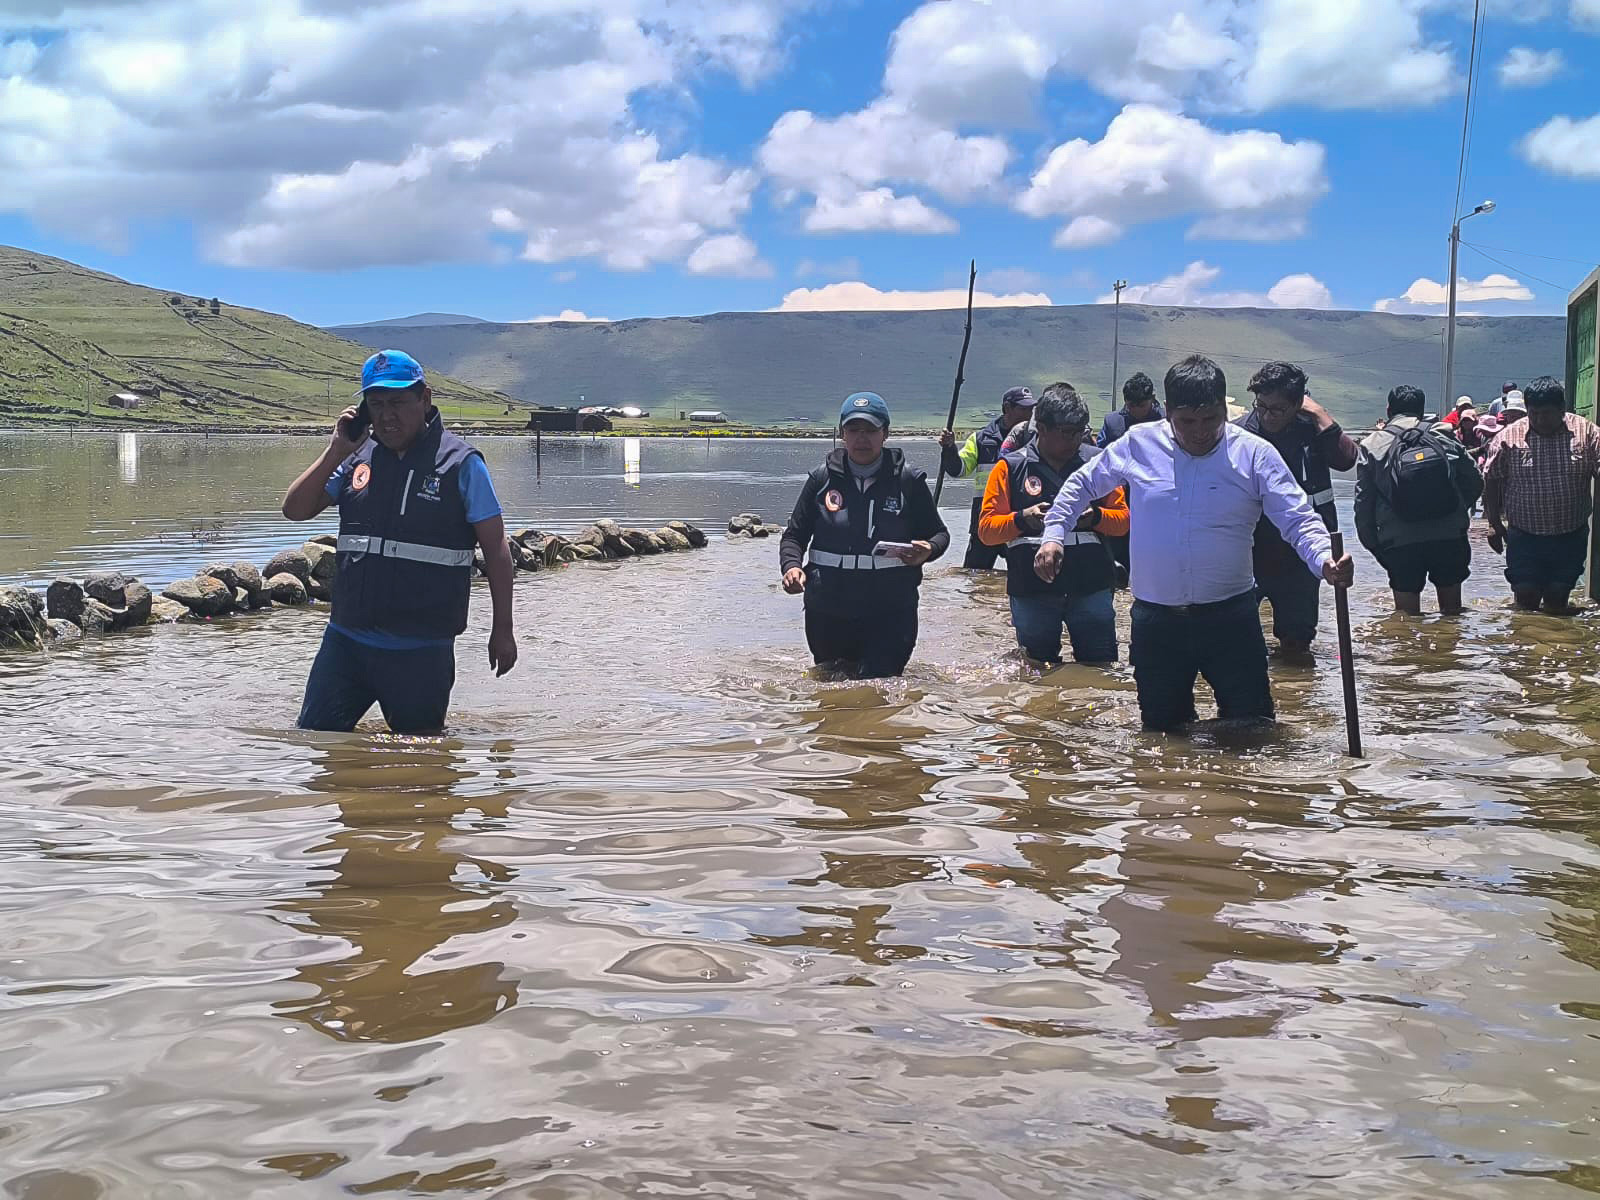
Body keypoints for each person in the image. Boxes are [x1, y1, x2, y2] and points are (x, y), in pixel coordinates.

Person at [1034, 355, 1353, 733]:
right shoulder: (1138, 444)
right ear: (1167, 412)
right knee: (1163, 737)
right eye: (1187, 421)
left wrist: (1324, 561)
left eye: (1210, 419)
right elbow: (1080, 486)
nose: (1200, 432)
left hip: (1230, 619)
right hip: (1157, 622)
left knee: (1252, 731)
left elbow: (1297, 518)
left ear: (1224, 409)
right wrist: (1054, 534)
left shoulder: (1253, 453)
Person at [282, 349, 518, 733]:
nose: (387, 416)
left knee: (420, 765)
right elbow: (295, 509)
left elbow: (496, 549)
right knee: (316, 745)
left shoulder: (461, 463)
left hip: (420, 652)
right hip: (346, 643)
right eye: (375, 405)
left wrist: (502, 629)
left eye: (398, 402)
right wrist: (336, 451)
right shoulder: (356, 457)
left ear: (424, 399)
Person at [782, 391, 950, 676]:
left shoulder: (909, 480)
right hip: (827, 609)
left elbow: (939, 534)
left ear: (885, 433)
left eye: (871, 430)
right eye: (854, 429)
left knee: (881, 690)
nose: (862, 438)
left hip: (891, 610)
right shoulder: (820, 479)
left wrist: (929, 550)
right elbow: (794, 536)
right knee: (831, 691)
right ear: (841, 433)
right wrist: (792, 567)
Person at [977, 383, 1128, 664]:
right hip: (1032, 589)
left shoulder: (1097, 464)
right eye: (1067, 433)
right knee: (1038, 670)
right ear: (1042, 428)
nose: (1075, 441)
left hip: (1091, 586)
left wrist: (1095, 518)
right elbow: (987, 531)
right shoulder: (1009, 468)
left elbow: (1123, 522)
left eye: (1081, 431)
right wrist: (1023, 519)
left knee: (1101, 668)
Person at [1233, 362, 1358, 658]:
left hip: (1300, 555)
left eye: (1277, 409)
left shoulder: (1312, 431)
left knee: (1297, 642)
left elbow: (1346, 460)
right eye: (1261, 406)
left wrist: (1320, 414)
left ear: (1297, 404)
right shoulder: (1240, 434)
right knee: (1233, 639)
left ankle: (1297, 696)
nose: (1266, 415)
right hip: (1249, 550)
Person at [1354, 384, 1483, 616]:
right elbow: (1475, 481)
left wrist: (1374, 544)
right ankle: (1450, 651)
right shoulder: (1443, 435)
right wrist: (1456, 512)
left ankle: (1410, 652)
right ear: (1421, 411)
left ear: (1389, 409)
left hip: (1399, 540)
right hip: (1448, 535)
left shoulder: (1372, 445)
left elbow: (1364, 503)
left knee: (1406, 621)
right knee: (1452, 616)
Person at [1483, 376, 1600, 615]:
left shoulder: (1587, 434)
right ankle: (1527, 647)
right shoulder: (1508, 438)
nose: (1539, 420)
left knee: (1557, 599)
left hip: (1570, 534)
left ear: (1562, 410)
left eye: (1546, 413)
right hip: (1524, 535)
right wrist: (1494, 524)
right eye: (1533, 413)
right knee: (1526, 597)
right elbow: (1491, 480)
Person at [938, 386, 1034, 569]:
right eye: (1023, 409)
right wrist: (949, 449)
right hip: (985, 519)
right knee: (974, 575)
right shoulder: (981, 439)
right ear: (1007, 408)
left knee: (1023, 576)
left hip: (1019, 518)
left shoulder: (1036, 440)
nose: (1029, 414)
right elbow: (958, 470)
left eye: (1031, 409)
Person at [1099, 372, 1163, 447]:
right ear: (1124, 400)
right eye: (1131, 405)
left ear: (1152, 398)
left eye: (1142, 405)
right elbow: (1101, 452)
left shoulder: (1167, 421)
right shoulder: (1112, 423)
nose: (1137, 410)